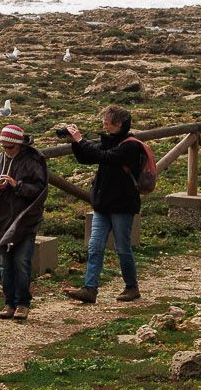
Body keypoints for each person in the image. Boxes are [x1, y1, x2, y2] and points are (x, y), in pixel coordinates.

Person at [62, 104, 146, 303]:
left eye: (108, 124)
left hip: (122, 205)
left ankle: (131, 287)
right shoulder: (111, 141)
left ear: (120, 125)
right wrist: (75, 143)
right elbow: (87, 158)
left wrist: (81, 140)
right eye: (104, 123)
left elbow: (104, 157)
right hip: (103, 204)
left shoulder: (131, 145)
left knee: (123, 247)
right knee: (95, 246)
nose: (105, 127)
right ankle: (90, 289)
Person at [0, 123, 49, 321]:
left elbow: (40, 189)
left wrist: (17, 185)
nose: (6, 150)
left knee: (22, 262)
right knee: (5, 264)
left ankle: (23, 303)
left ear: (19, 144)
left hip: (25, 219)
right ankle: (9, 303)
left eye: (10, 147)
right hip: (2, 220)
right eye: (3, 146)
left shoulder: (33, 160)